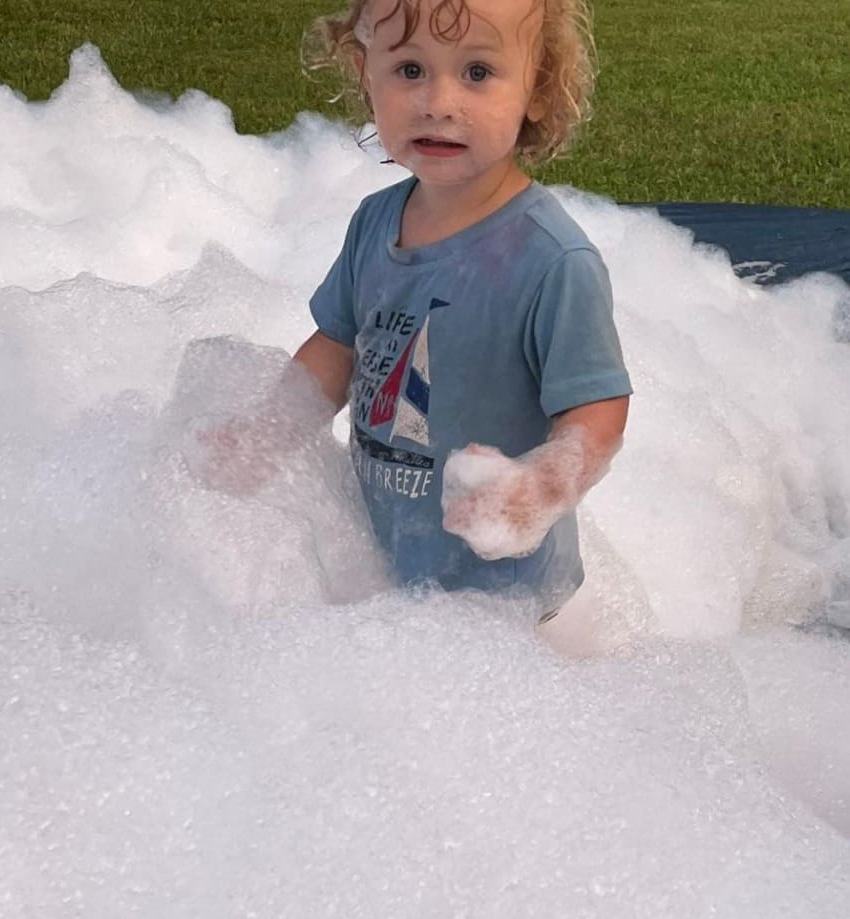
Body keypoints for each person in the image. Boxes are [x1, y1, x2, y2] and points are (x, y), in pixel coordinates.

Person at [206, 0, 632, 627]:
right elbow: (338, 348)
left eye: (478, 73)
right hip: (385, 563)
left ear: (538, 89)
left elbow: (598, 408)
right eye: (410, 70)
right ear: (366, 74)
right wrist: (265, 434)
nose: (438, 102)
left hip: (499, 595)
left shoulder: (552, 260)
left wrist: (541, 486)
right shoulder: (376, 221)